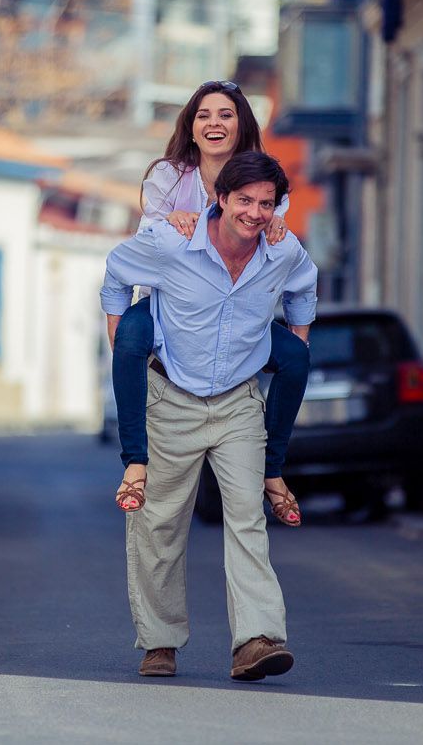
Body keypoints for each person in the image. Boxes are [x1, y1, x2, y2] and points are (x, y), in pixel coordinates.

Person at [100, 151, 317, 681]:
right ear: (219, 199)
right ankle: (159, 641)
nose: (255, 212)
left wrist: (296, 341)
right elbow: (114, 276)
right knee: (160, 524)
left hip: (238, 405)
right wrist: (123, 341)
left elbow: (304, 290)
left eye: (266, 203)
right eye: (244, 200)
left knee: (246, 519)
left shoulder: (283, 251)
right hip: (171, 399)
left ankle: (256, 640)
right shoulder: (172, 244)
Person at [112, 80, 309, 528]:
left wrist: (277, 226)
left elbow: (273, 229)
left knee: (296, 358)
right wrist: (169, 219)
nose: (214, 123)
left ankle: (272, 470)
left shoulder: (265, 177)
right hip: (171, 303)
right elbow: (145, 244)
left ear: (241, 125)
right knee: (128, 338)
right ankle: (135, 461)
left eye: (225, 115)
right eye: (204, 115)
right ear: (192, 125)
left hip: (237, 311)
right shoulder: (168, 175)